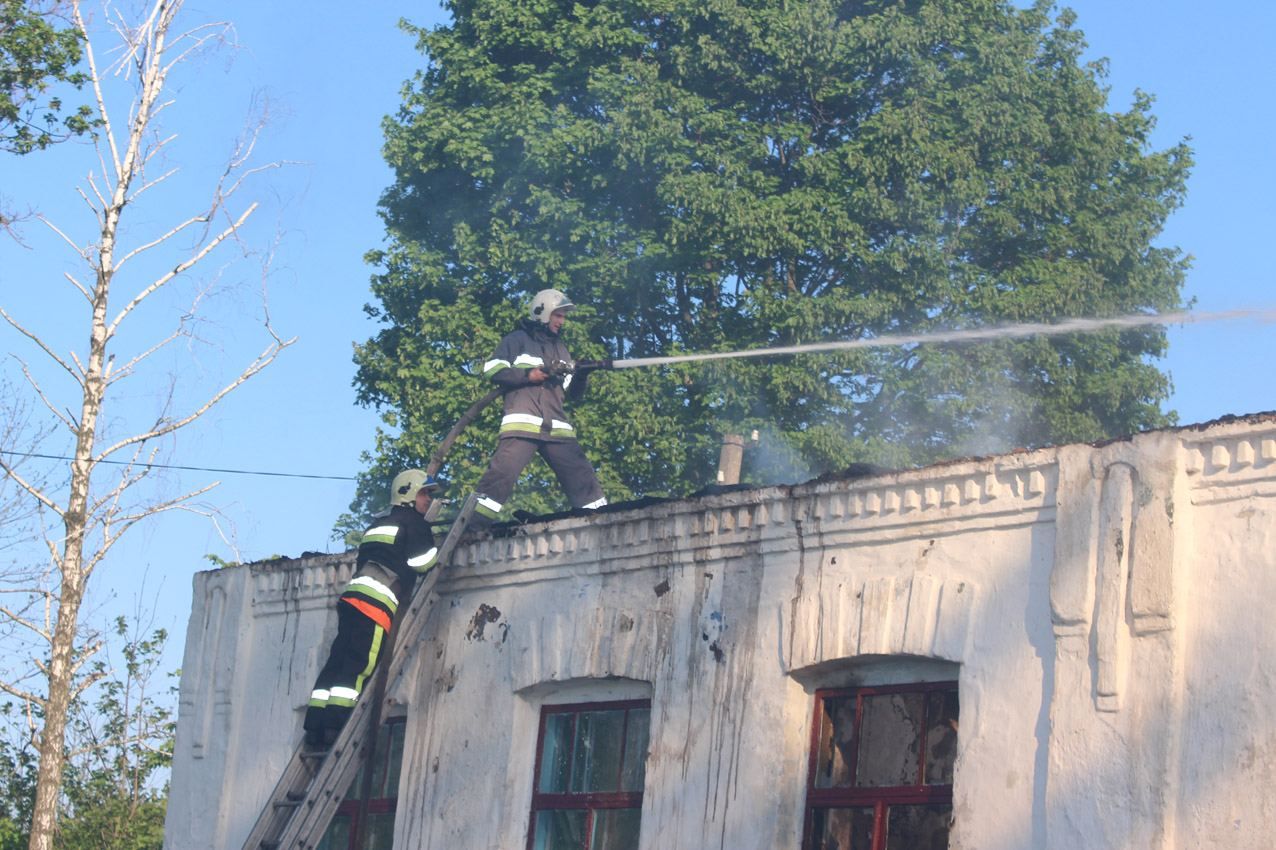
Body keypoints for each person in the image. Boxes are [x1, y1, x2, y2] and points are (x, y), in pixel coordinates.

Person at [303, 469, 440, 746]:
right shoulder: (414, 523)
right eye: (425, 493)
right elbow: (423, 564)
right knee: (360, 664)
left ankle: (316, 724)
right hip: (376, 604)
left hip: (353, 597)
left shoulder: (376, 526)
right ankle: (337, 726)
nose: (428, 500)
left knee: (337, 660)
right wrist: (434, 544)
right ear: (409, 494)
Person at [474, 288, 607, 522]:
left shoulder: (561, 349)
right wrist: (529, 375)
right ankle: (472, 526)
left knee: (582, 477)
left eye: (563, 317)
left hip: (556, 428)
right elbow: (492, 369)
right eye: (558, 315)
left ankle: (602, 522)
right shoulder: (517, 340)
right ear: (543, 312)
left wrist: (583, 375)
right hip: (523, 424)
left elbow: (573, 393)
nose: (562, 322)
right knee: (500, 477)